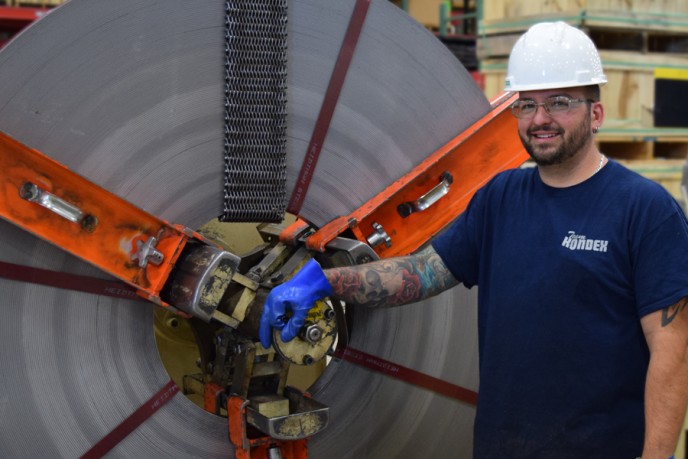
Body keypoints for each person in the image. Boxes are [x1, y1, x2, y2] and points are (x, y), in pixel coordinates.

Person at [260, 21, 688, 458]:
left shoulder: (646, 210)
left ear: (596, 114)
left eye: (559, 103)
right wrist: (324, 281)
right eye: (527, 105)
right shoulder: (499, 199)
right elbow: (421, 273)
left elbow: (673, 353)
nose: (540, 119)